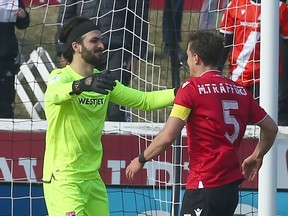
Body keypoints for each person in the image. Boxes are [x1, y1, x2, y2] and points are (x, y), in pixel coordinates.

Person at [125, 30, 278, 216]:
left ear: (196, 58)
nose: (187, 62)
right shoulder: (240, 91)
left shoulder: (191, 88)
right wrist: (257, 155)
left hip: (204, 184)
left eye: (188, 57)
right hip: (230, 189)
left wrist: (141, 159)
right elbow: (271, 128)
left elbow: (167, 137)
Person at [42, 16, 177, 216]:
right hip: (64, 180)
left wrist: (184, 92)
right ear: (76, 46)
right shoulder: (61, 76)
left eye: (101, 40)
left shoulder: (103, 81)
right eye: (94, 41)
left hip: (93, 179)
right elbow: (54, 93)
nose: (101, 45)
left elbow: (145, 101)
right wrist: (83, 85)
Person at [55, 0, 149, 122]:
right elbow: (65, 14)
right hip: (84, 50)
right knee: (82, 101)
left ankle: (119, 133)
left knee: (114, 109)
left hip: (117, 48)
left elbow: (139, 18)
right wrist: (63, 50)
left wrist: (136, 54)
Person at [219, 0, 288, 123]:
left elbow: (286, 44)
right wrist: (216, 70)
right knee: (238, 122)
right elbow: (224, 41)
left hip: (268, 79)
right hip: (239, 77)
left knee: (270, 122)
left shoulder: (280, 7)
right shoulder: (235, 4)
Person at [0, 0, 29, 118]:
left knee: (5, 100)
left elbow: (22, 24)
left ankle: (5, 133)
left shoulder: (12, 1)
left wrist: (23, 15)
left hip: (5, 56)